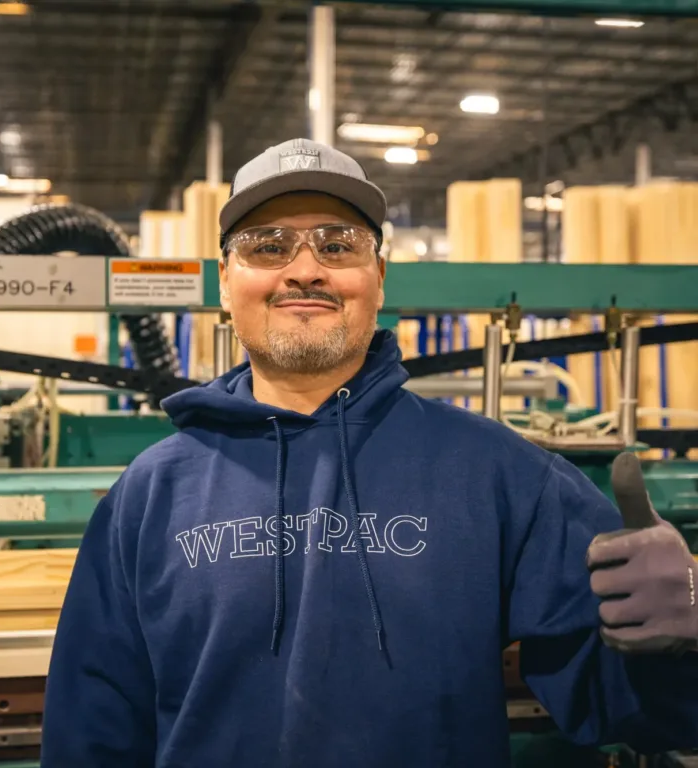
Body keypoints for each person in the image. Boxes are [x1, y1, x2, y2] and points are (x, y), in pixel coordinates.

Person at [41, 138, 698, 767]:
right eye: (268, 246)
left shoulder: (497, 473)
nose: (304, 269)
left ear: (378, 278)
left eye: (338, 244)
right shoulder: (150, 494)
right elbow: (89, 735)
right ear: (225, 283)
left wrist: (679, 643)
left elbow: (629, 711)